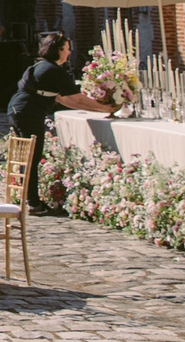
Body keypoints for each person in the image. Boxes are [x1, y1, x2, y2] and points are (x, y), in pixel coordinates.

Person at [9, 32, 111, 213]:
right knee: (32, 157)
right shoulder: (54, 71)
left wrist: (97, 109)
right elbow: (78, 99)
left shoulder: (42, 66)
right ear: (58, 50)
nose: (69, 53)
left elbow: (63, 99)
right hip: (28, 112)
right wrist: (105, 108)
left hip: (18, 110)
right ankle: (33, 203)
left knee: (28, 157)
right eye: (67, 49)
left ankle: (29, 199)